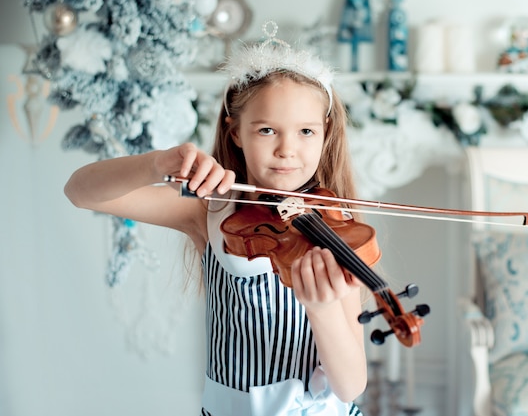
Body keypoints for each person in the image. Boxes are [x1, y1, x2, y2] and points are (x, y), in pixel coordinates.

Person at [64, 22, 367, 416]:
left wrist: (322, 309)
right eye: (267, 130)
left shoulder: (334, 226)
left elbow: (350, 386)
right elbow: (80, 191)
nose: (286, 150)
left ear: (325, 133)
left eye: (306, 131)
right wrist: (155, 164)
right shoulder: (211, 212)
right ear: (236, 132)